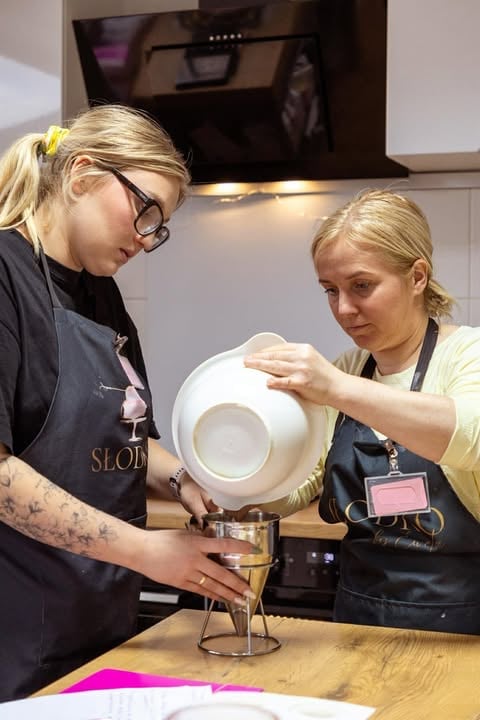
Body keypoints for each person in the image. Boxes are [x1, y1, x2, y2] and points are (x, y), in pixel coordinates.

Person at [0, 104, 255, 701]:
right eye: (144, 211)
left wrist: (184, 479)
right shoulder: (5, 277)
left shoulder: (100, 295)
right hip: (16, 633)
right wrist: (146, 550)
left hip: (98, 622)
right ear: (83, 174)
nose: (146, 238)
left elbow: (120, 440)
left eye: (158, 226)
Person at [244, 188, 480, 635]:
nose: (344, 309)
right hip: (358, 615)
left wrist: (335, 388)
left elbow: (469, 436)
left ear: (417, 277)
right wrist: (243, 489)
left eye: (361, 286)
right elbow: (303, 481)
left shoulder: (468, 354)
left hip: (463, 622)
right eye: (330, 290)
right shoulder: (352, 369)